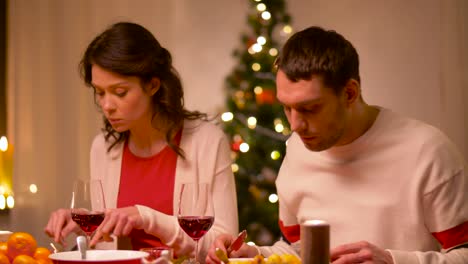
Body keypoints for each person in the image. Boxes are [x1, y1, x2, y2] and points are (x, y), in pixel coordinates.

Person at [206, 26, 468, 264]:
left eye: (309, 109)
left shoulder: (427, 152)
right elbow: (299, 251)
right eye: (286, 108)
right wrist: (256, 254)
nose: (295, 125)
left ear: (349, 93)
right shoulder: (297, 150)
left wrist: (393, 261)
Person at [44, 22, 238, 259]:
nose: (106, 106)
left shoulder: (207, 142)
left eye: (120, 92)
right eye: (100, 92)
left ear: (153, 85)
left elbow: (225, 247)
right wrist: (83, 223)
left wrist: (148, 218)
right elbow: (105, 246)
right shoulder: (103, 148)